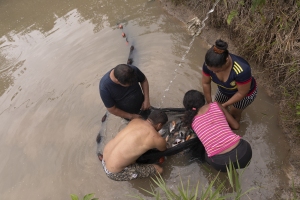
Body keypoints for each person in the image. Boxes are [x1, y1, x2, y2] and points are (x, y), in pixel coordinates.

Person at [182, 90, 252, 172]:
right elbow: (236, 126)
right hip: (244, 154)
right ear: (202, 100)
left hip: (220, 163)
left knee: (206, 154)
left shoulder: (191, 121)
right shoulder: (216, 105)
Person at [100, 110, 168, 181]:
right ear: (159, 125)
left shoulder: (136, 120)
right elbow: (163, 148)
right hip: (113, 172)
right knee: (159, 169)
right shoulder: (155, 137)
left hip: (104, 158)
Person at [202, 39, 257, 122]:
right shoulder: (208, 65)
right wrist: (209, 102)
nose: (213, 72)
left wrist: (225, 105)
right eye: (211, 69)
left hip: (245, 95)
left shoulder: (242, 70)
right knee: (216, 107)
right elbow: (206, 83)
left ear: (227, 60)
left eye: (217, 70)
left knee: (233, 114)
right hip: (223, 90)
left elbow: (242, 93)